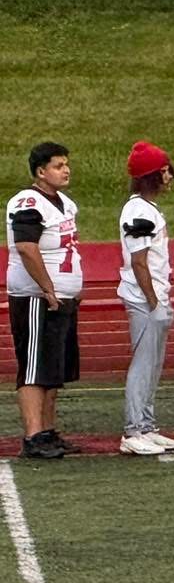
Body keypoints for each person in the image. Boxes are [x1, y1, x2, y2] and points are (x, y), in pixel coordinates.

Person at [7, 141, 82, 460]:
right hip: (37, 297)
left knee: (53, 368)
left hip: (60, 295)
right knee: (35, 368)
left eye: (66, 164)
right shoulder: (28, 201)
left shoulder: (64, 202)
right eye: (57, 165)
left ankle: (48, 431)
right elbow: (27, 248)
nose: (65, 170)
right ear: (41, 171)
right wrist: (48, 288)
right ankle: (34, 435)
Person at [117, 142, 174, 458]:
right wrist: (154, 302)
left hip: (153, 296)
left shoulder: (145, 209)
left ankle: (146, 424)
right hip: (145, 300)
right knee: (144, 365)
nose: (169, 176)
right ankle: (133, 429)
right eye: (165, 170)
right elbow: (139, 261)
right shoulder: (139, 211)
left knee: (152, 364)